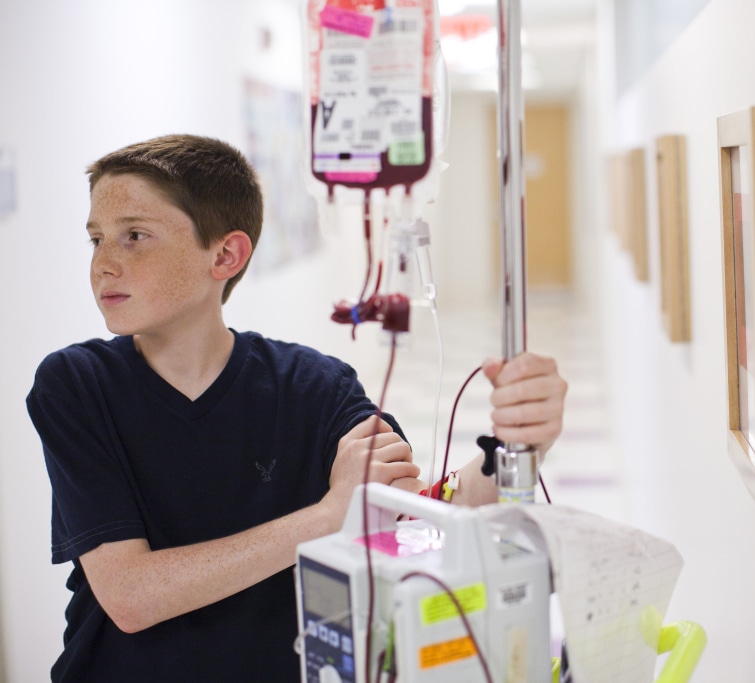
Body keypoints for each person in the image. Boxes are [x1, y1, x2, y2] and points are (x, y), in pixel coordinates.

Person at [25, 134, 568, 682]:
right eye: (96, 239)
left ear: (225, 255)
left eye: (134, 236)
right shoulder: (75, 385)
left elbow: (422, 517)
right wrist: (329, 517)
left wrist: (514, 443)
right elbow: (131, 596)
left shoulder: (314, 387)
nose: (103, 265)